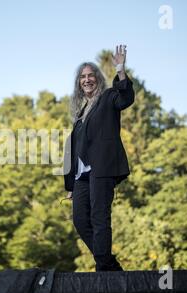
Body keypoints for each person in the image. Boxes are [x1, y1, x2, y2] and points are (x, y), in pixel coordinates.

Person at [63, 45, 135, 271]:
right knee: (80, 220)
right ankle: (110, 265)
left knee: (99, 216)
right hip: (81, 177)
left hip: (102, 169)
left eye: (90, 75)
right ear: (78, 82)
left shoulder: (107, 98)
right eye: (82, 77)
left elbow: (125, 97)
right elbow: (74, 148)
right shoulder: (81, 112)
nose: (86, 80)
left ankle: (104, 270)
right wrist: (70, 184)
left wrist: (121, 69)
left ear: (97, 78)